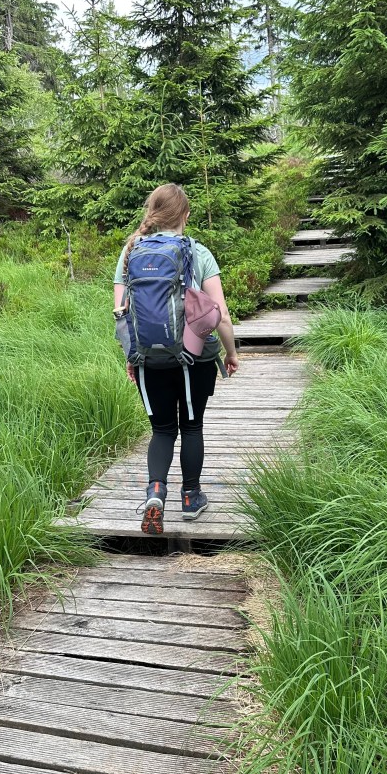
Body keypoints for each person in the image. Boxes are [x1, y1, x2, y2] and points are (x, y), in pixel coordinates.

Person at [113, 183, 239, 534]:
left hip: (147, 358)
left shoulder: (131, 251)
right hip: (195, 357)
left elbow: (122, 313)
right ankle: (190, 497)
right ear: (186, 214)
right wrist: (230, 352)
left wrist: (132, 356)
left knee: (162, 430)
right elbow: (221, 315)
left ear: (152, 212)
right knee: (192, 426)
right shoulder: (197, 252)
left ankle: (155, 492)